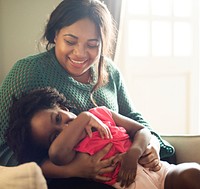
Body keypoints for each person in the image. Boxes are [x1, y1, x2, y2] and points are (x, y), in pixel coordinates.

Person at [0, 0, 175, 188]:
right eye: (70, 41)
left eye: (92, 45)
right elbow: (4, 150)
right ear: (55, 34)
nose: (80, 53)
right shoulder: (28, 72)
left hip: (129, 167)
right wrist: (72, 169)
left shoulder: (110, 71)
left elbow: (134, 118)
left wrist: (151, 146)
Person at [5, 87, 200, 189]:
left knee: (192, 173)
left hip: (159, 172)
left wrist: (135, 152)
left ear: (62, 107)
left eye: (58, 118)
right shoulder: (67, 155)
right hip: (129, 186)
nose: (64, 129)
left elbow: (141, 130)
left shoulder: (102, 113)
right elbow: (56, 154)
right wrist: (84, 118)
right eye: (55, 136)